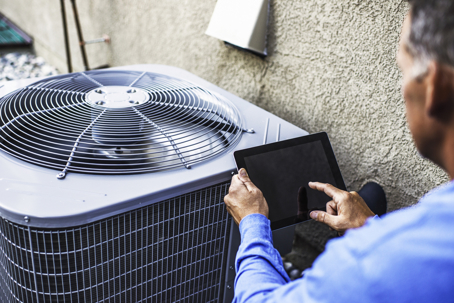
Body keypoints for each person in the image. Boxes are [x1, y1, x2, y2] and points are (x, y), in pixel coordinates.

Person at [223, 0, 454, 302]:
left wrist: (253, 222)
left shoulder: (365, 261)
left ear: (433, 86)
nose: (402, 87)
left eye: (403, 71)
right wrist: (370, 226)